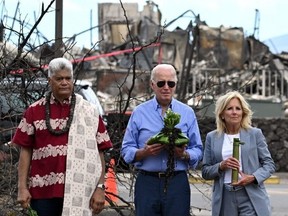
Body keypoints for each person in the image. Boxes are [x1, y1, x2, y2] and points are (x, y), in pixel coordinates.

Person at [12, 57, 113, 216]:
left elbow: (99, 152)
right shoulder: (34, 111)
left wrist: (100, 188)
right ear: (50, 80)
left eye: (68, 78)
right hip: (42, 194)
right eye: (59, 79)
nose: (65, 82)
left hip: (81, 193)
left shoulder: (89, 111)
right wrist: (22, 188)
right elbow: (25, 151)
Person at [121, 64, 203, 216]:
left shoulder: (187, 113)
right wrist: (143, 152)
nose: (166, 87)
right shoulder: (139, 112)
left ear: (175, 85)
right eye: (161, 83)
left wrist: (184, 154)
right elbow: (126, 149)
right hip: (147, 182)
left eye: (170, 83)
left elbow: (198, 149)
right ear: (152, 85)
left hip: (177, 183)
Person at [201, 91, 275, 216]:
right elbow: (205, 171)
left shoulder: (255, 134)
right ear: (222, 114)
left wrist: (252, 177)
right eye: (229, 108)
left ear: (243, 113)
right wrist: (221, 166)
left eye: (238, 109)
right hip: (225, 197)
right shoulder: (212, 137)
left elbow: (269, 165)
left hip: (250, 195)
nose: (234, 112)